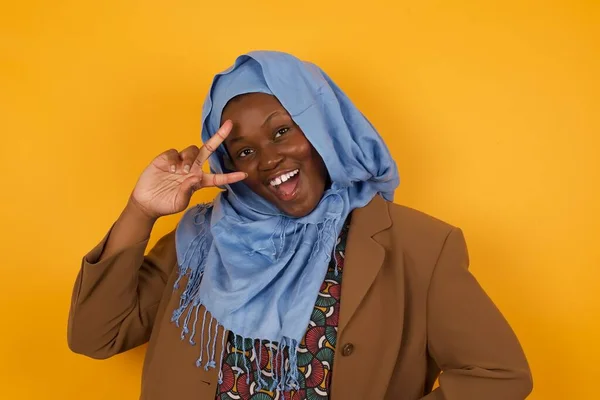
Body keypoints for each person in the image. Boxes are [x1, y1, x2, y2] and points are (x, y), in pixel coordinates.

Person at [67, 51, 533, 400]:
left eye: (282, 131)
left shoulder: (418, 246)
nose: (269, 161)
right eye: (245, 151)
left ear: (325, 128)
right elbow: (96, 336)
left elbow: (497, 374)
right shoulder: (200, 240)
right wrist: (141, 210)